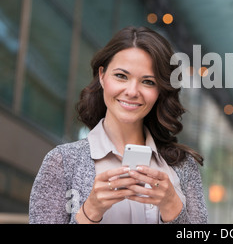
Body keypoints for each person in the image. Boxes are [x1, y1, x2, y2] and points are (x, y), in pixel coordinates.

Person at [29, 26, 207, 224]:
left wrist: (173, 207)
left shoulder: (183, 166)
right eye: (121, 76)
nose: (132, 91)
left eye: (148, 82)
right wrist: (90, 211)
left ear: (160, 91)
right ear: (103, 76)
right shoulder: (62, 162)